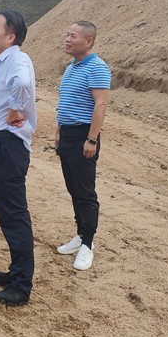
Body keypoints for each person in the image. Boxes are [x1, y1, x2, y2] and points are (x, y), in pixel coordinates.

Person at [0, 11, 37, 306]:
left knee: (14, 214)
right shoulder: (1, 60)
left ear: (10, 37)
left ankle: (21, 286)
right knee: (6, 212)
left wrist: (15, 109)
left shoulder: (17, 60)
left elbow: (23, 84)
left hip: (6, 145)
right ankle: (15, 272)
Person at [54, 21, 111, 270]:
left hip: (83, 135)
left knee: (86, 191)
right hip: (67, 134)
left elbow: (100, 105)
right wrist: (58, 130)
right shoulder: (71, 67)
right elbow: (65, 102)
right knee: (73, 187)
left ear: (88, 41)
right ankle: (80, 234)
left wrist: (91, 139)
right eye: (67, 35)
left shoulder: (97, 68)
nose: (67, 39)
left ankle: (88, 243)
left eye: (73, 36)